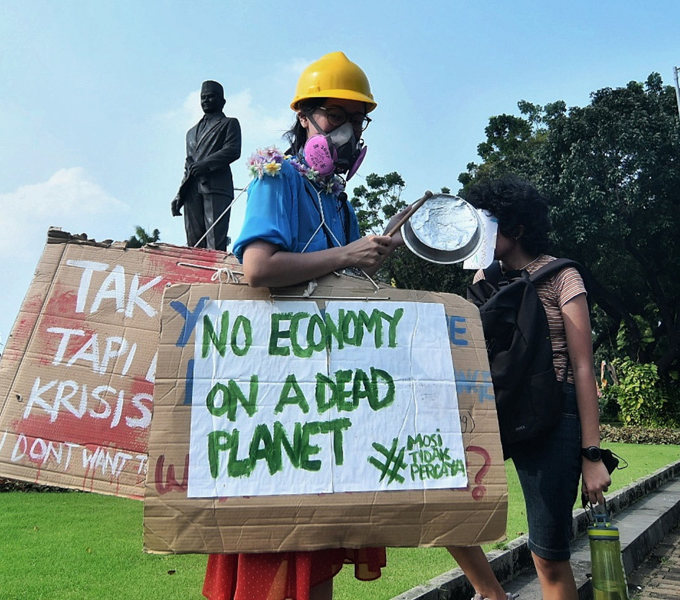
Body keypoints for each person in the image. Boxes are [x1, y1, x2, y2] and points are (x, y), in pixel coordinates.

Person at [202, 51, 402, 600]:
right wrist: (347, 256)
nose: (345, 131)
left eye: (355, 119)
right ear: (305, 118)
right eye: (333, 116)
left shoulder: (339, 199)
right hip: (275, 393)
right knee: (274, 550)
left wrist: (368, 260)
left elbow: (350, 283)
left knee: (319, 553)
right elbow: (258, 269)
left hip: (327, 393)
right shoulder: (276, 176)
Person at [446, 178, 611, 600]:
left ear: (516, 229)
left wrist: (592, 455)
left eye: (487, 225)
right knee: (440, 501)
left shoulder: (562, 276)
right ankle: (492, 593)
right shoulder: (483, 279)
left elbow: (583, 366)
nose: (478, 235)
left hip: (556, 416)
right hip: (498, 407)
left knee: (549, 557)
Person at [172, 80, 242, 251]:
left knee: (214, 240)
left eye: (211, 97)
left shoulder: (229, 123)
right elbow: (188, 164)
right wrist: (180, 193)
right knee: (194, 243)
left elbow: (233, 150)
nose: (206, 100)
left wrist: (206, 164)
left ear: (222, 101)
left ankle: (215, 273)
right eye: (203, 97)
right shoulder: (191, 132)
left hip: (216, 186)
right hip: (192, 189)